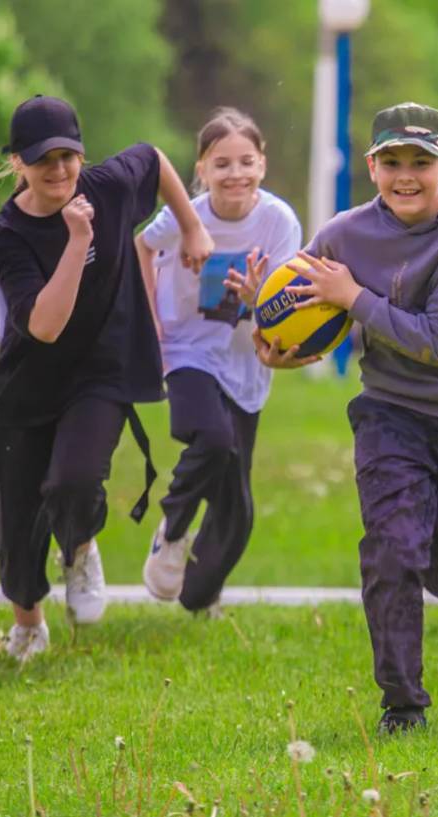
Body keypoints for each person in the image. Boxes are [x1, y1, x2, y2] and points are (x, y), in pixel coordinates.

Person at [255, 102, 438, 734]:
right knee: (392, 549)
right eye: (392, 161)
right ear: (371, 167)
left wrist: (355, 297)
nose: (406, 176)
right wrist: (275, 342)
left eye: (421, 163)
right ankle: (403, 704)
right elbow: (304, 309)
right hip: (390, 413)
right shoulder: (344, 234)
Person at [0, 95, 214, 661]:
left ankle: (78, 546)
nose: (58, 170)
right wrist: (79, 240)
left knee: (74, 482)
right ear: (17, 164)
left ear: (82, 154)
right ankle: (28, 623)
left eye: (68, 156)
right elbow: (46, 327)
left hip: (102, 369)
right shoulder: (8, 232)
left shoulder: (107, 186)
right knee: (14, 523)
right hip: (30, 381)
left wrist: (193, 226)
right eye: (43, 159)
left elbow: (153, 158)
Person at [137, 107, 302, 613]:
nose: (236, 174)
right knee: (211, 436)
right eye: (222, 163)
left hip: (245, 362)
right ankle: (173, 527)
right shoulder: (187, 213)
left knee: (238, 510)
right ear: (202, 169)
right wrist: (150, 322)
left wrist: (259, 299)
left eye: (246, 161)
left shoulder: (278, 222)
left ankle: (198, 595)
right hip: (186, 349)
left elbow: (286, 309)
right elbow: (140, 247)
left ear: (263, 164)